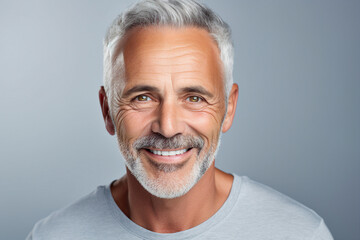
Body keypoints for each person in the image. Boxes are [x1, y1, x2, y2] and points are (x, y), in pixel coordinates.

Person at [27, 0, 333, 239]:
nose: (168, 126)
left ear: (228, 108)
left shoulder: (300, 234)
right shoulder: (52, 236)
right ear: (107, 111)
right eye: (142, 97)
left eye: (194, 98)